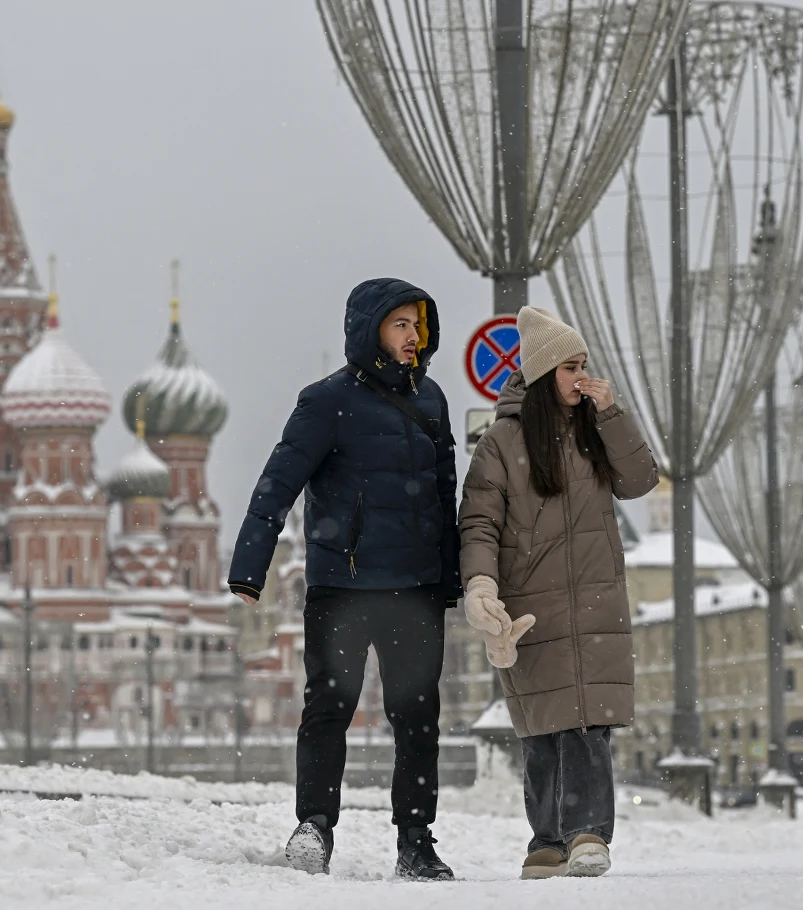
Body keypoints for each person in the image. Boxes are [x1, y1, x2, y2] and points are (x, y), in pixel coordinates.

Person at [227, 277, 461, 880]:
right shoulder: (326, 401)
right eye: (400, 324)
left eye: (417, 325)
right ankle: (314, 828)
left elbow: (444, 496)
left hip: (413, 588)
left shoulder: (431, 400)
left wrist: (450, 575)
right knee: (329, 708)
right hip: (343, 585)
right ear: (370, 330)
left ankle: (416, 842)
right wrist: (250, 566)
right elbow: (277, 483)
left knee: (417, 717)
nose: (413, 336)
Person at [458, 306, 658, 879]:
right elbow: (479, 522)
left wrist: (612, 412)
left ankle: (589, 834)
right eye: (570, 367)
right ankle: (546, 842)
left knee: (588, 722)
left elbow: (640, 480)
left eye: (583, 365)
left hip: (595, 601)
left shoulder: (596, 430)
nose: (581, 376)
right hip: (531, 606)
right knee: (542, 728)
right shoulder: (501, 443)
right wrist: (480, 584)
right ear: (545, 374)